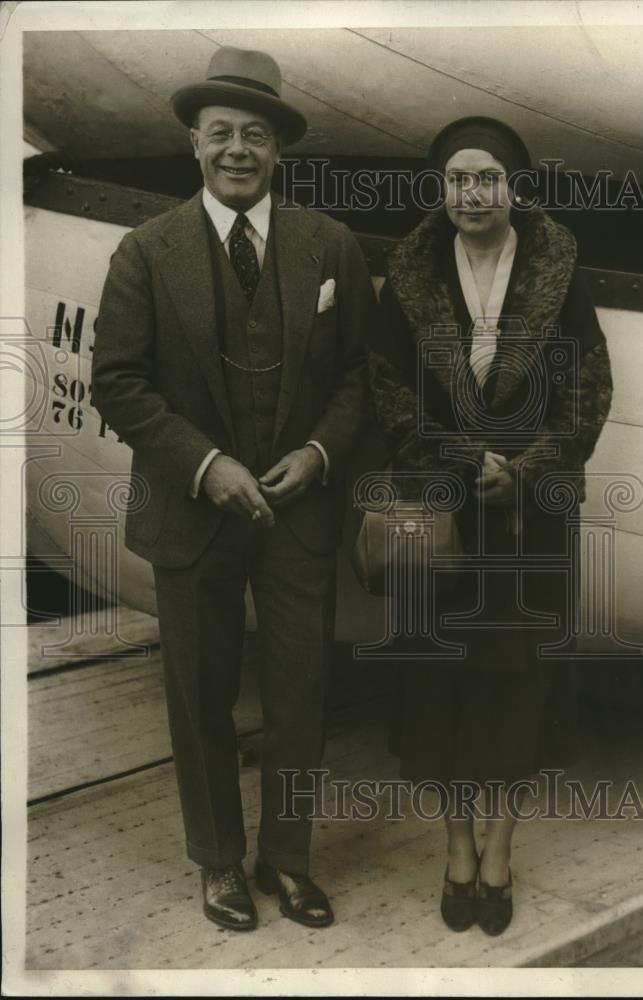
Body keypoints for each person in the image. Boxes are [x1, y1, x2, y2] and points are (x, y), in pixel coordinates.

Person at [92, 46, 374, 931]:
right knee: (201, 694)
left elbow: (362, 377)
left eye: (256, 133)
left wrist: (322, 455)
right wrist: (207, 465)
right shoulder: (145, 251)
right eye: (221, 133)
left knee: (298, 697)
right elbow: (119, 382)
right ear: (194, 144)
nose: (238, 149)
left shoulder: (330, 244)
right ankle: (217, 862)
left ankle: (286, 860)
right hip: (191, 516)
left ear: (279, 149)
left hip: (299, 518)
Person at [367, 116, 613, 935]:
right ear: (440, 189)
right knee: (440, 689)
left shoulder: (556, 266)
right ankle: (455, 849)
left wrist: (528, 467)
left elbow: (588, 391)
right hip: (440, 515)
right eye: (456, 179)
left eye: (487, 178)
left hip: (529, 526)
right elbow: (386, 389)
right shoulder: (409, 271)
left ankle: (499, 852)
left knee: (518, 690)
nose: (470, 193)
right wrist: (453, 459)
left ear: (514, 186)